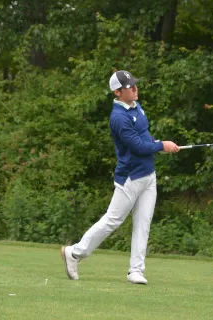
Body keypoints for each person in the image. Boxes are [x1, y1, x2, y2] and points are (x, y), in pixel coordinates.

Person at [60, 70, 180, 284]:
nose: (135, 88)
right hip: (130, 177)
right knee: (112, 220)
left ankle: (136, 270)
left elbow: (145, 138)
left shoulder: (136, 107)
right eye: (129, 86)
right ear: (117, 92)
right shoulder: (118, 117)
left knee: (143, 224)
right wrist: (162, 145)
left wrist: (159, 145)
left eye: (134, 84)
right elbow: (137, 146)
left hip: (148, 175)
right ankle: (75, 253)